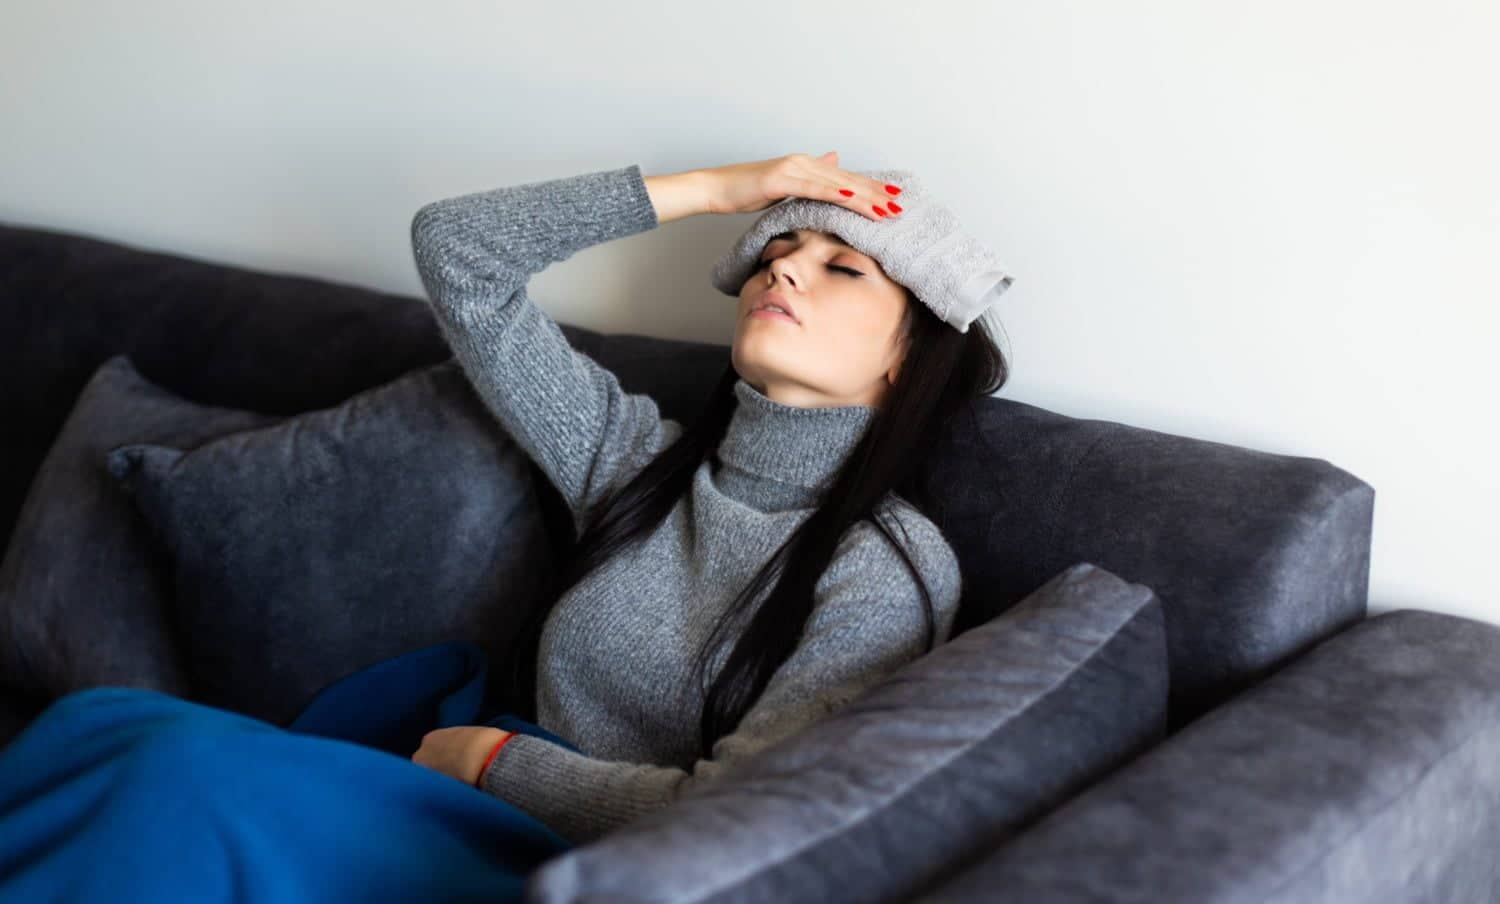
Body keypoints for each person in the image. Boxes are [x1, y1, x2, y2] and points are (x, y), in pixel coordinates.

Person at [0, 151, 1014, 902]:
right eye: (775, 252)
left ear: (907, 357)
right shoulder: (636, 462)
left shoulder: (882, 570)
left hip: (578, 866)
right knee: (107, 725)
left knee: (176, 782)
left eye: (842, 268)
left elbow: (751, 817)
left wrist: (500, 766)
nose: (782, 271)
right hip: (456, 799)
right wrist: (720, 189)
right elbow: (460, 253)